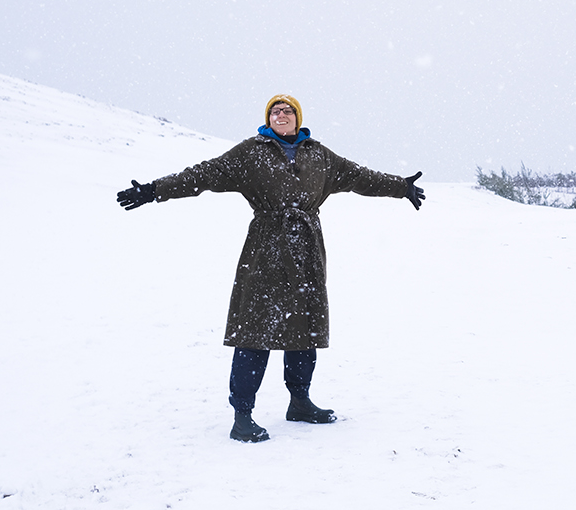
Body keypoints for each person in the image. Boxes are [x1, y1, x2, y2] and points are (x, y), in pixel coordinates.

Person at [116, 94, 424, 443]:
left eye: (287, 110)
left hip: (307, 250)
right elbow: (204, 174)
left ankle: (300, 402)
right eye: (275, 111)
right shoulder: (251, 153)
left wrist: (401, 187)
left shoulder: (320, 156)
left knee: (304, 327)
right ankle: (242, 415)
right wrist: (156, 190)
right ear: (268, 118)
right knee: (255, 330)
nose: (281, 114)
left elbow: (360, 177)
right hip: (266, 249)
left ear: (298, 117)